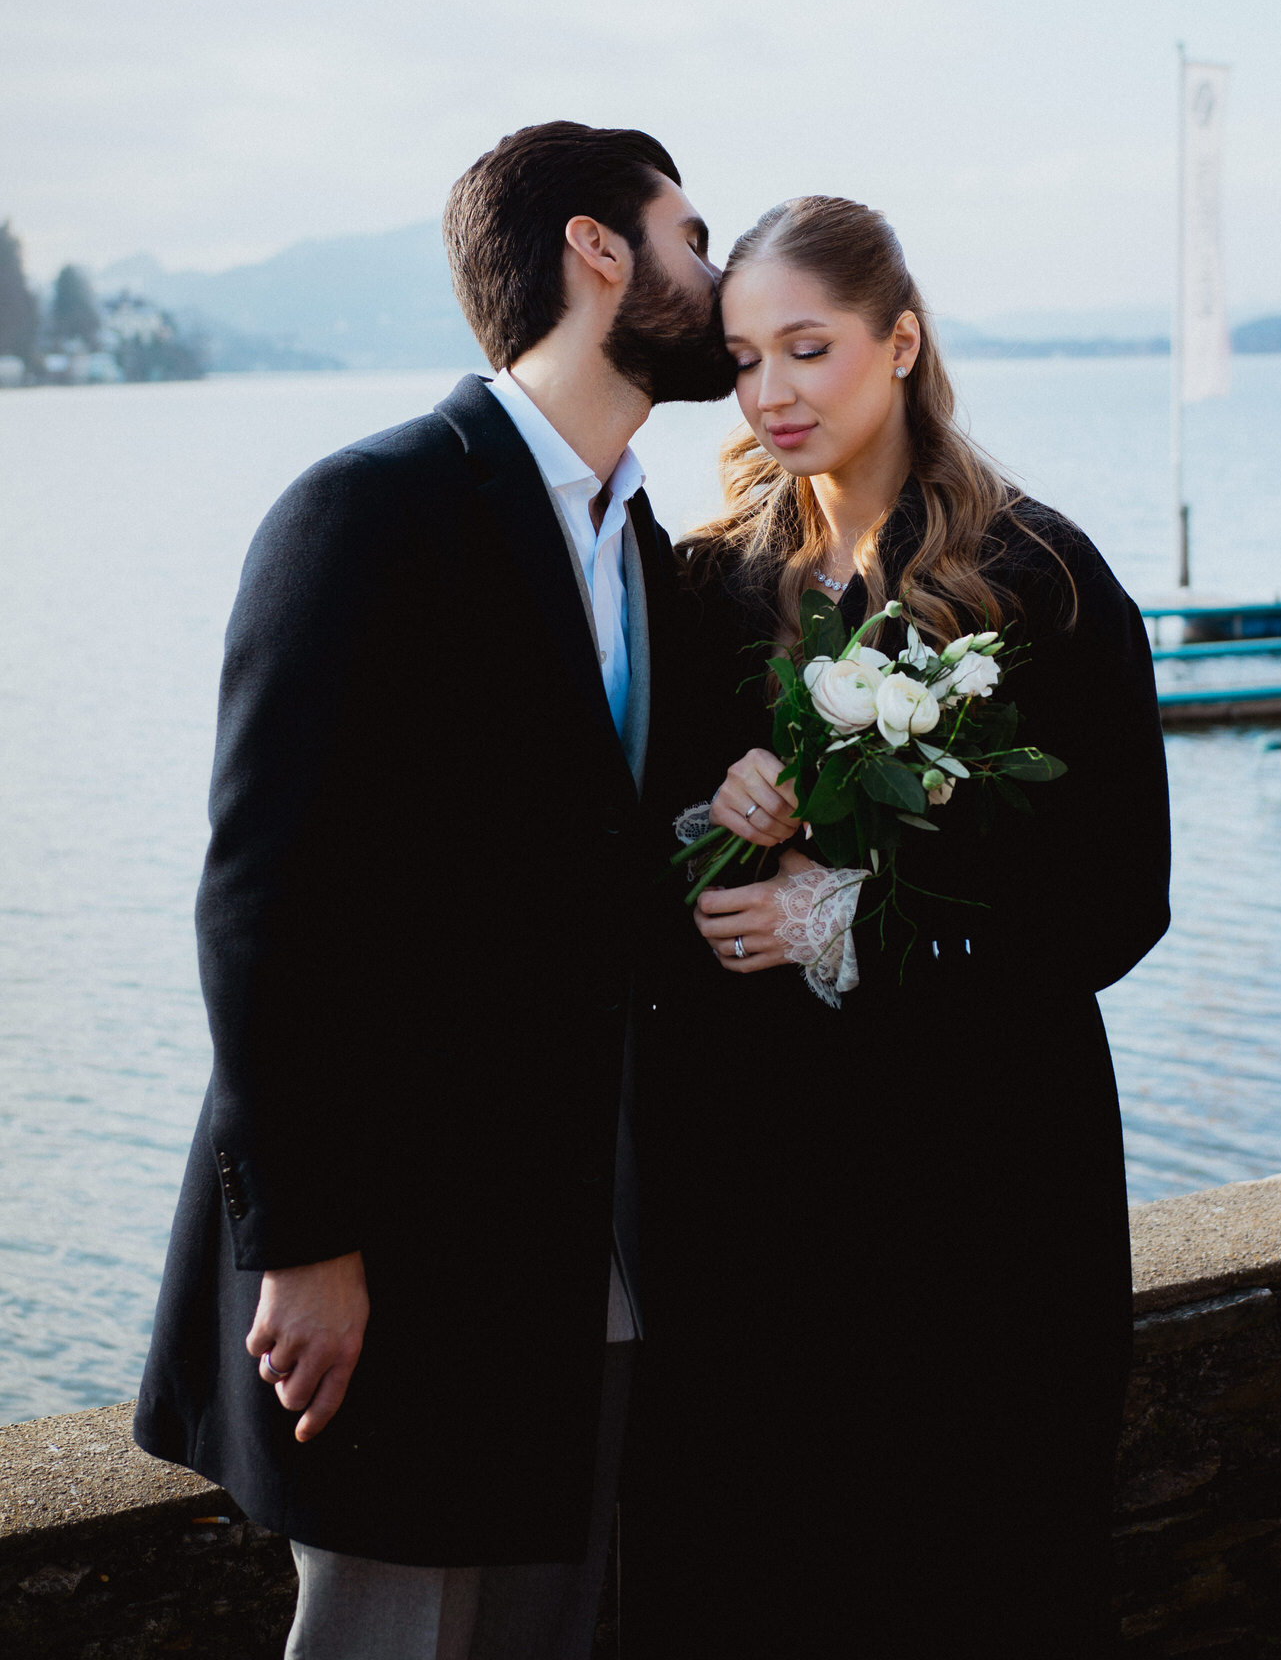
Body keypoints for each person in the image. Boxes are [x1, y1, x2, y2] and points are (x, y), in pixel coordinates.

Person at [133, 120, 734, 1660]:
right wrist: (306, 1244)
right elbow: (261, 901)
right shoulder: (370, 510)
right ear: (596, 250)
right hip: (393, 1269)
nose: (713, 279)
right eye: (691, 236)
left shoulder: (641, 545)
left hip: (575, 1257)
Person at [625, 196, 1171, 1658]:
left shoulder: (1038, 579)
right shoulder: (706, 582)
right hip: (761, 1206)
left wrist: (857, 927)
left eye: (809, 348)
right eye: (744, 362)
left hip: (988, 1196)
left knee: (985, 1576)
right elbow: (630, 861)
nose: (773, 393)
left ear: (902, 339)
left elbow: (1125, 895)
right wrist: (707, 802)